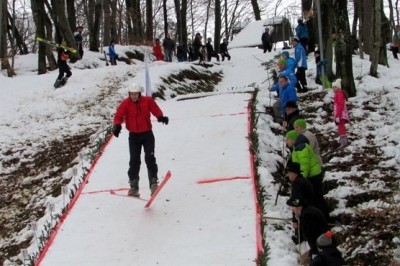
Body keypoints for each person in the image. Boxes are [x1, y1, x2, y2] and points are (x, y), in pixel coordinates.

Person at [112, 83, 169, 197]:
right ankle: (134, 186)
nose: (133, 96)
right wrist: (117, 125)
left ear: (139, 94)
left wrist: (160, 117)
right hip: (133, 136)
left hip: (147, 134)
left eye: (135, 94)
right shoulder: (126, 103)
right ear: (129, 94)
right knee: (134, 161)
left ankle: (153, 184)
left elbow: (155, 109)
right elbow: (118, 115)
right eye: (131, 94)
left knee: (150, 158)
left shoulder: (147, 100)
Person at [286, 130, 329, 221]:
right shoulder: (297, 147)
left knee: (317, 198)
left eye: (288, 139)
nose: (286, 141)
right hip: (310, 175)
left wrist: (300, 180)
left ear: (293, 139)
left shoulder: (300, 148)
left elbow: (304, 165)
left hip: (313, 176)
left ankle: (324, 219)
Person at [286, 197, 329, 261]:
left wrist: (315, 253)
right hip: (321, 244)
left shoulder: (307, 216)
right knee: (302, 259)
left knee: (305, 261)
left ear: (297, 207)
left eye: (293, 208)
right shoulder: (307, 210)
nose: (292, 210)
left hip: (323, 246)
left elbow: (312, 235)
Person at [287, 161, 315, 245]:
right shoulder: (302, 180)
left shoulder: (297, 184)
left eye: (289, 173)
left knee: (305, 237)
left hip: (305, 214)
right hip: (311, 210)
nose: (288, 175)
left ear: (293, 173)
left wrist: (295, 220)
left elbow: (297, 202)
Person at [332, 79, 350, 148]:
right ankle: (342, 138)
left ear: (338, 87)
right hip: (340, 114)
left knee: (341, 126)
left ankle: (343, 140)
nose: (333, 89)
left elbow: (340, 105)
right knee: (340, 126)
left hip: (340, 114)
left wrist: (338, 116)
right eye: (333, 87)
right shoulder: (338, 94)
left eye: (335, 87)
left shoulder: (339, 94)